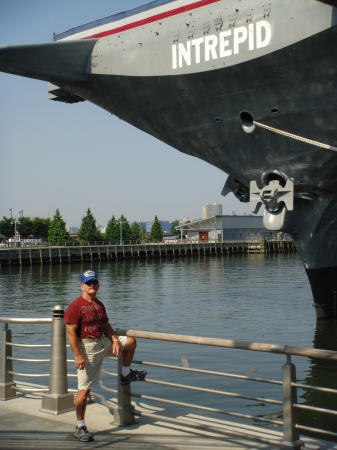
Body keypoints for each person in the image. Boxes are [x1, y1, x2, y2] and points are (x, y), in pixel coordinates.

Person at [64, 269, 147, 443]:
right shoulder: (75, 306)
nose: (92, 285)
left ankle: (125, 373)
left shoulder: (99, 304)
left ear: (98, 285)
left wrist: (115, 340)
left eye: (94, 282)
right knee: (84, 390)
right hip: (87, 349)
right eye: (88, 283)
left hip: (103, 342)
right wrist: (77, 355)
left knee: (130, 342)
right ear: (82, 286)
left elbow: (106, 324)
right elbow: (70, 332)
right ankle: (80, 427)